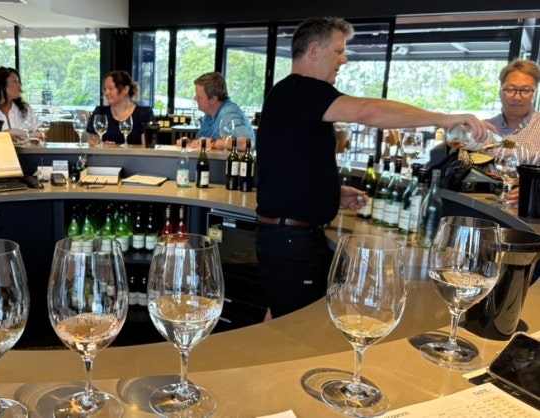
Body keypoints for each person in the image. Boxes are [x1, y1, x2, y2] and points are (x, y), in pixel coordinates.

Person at [255, 16, 494, 319]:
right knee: (297, 328)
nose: (344, 60)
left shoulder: (290, 93)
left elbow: (289, 163)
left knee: (283, 319)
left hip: (285, 236)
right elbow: (367, 112)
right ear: (314, 50)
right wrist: (443, 119)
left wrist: (332, 193)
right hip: (291, 241)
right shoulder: (303, 90)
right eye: (338, 51)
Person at [485, 60, 540, 206]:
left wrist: (535, 190)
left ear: (535, 94)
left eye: (525, 90)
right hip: (486, 207)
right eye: (510, 89)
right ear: (500, 91)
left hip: (531, 211)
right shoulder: (484, 129)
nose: (516, 97)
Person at [186, 72, 255, 152]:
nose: (195, 98)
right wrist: (190, 143)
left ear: (213, 99)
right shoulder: (209, 115)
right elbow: (203, 142)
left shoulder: (228, 114)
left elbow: (246, 143)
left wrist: (213, 143)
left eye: (199, 96)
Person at [86, 70, 154, 147]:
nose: (106, 93)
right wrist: (103, 146)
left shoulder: (144, 114)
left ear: (125, 90)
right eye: (105, 89)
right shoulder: (100, 112)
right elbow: (92, 143)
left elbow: (147, 148)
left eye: (110, 88)